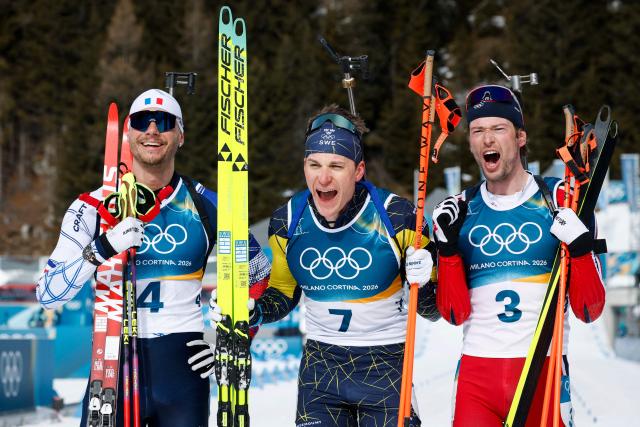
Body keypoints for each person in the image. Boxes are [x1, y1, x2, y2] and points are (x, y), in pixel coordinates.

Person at [36, 89, 270, 426]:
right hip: (112, 366)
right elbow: (47, 294)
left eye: (163, 122)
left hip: (183, 369)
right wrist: (101, 248)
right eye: (141, 122)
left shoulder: (208, 205)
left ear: (181, 135)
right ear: (128, 133)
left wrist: (233, 337)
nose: (152, 130)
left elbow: (259, 275)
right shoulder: (91, 207)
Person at [211, 104, 440, 426]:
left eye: (336, 165)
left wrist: (427, 277)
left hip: (386, 368)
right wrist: (254, 309)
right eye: (313, 164)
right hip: (320, 372)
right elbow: (283, 293)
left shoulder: (398, 217)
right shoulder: (287, 220)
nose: (323, 177)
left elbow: (433, 310)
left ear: (358, 171)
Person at [432, 84, 606, 426]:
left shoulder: (561, 199)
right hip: (476, 380)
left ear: (520, 138)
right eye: (478, 131)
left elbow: (589, 310)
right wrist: (448, 251)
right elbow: (454, 314)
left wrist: (582, 249)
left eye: (498, 129)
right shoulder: (459, 210)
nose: (487, 140)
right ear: (470, 143)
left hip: (546, 371)